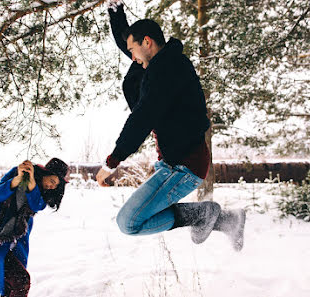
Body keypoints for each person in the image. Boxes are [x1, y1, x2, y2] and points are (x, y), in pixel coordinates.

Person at [98, 1, 246, 251]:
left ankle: (207, 215)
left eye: (133, 50)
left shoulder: (167, 71)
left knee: (129, 222)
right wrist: (115, 9)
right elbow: (126, 40)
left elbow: (142, 118)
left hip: (184, 167)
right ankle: (224, 220)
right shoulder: (158, 62)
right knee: (131, 220)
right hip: (174, 162)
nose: (131, 57)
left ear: (148, 42)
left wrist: (111, 162)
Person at [0, 158, 69, 297]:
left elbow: (37, 205)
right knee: (20, 281)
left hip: (17, 241)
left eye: (56, 185)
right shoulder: (18, 172)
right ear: (45, 174)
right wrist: (18, 178)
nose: (53, 186)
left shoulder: (40, 190)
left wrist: (31, 184)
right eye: (53, 181)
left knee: (10, 287)